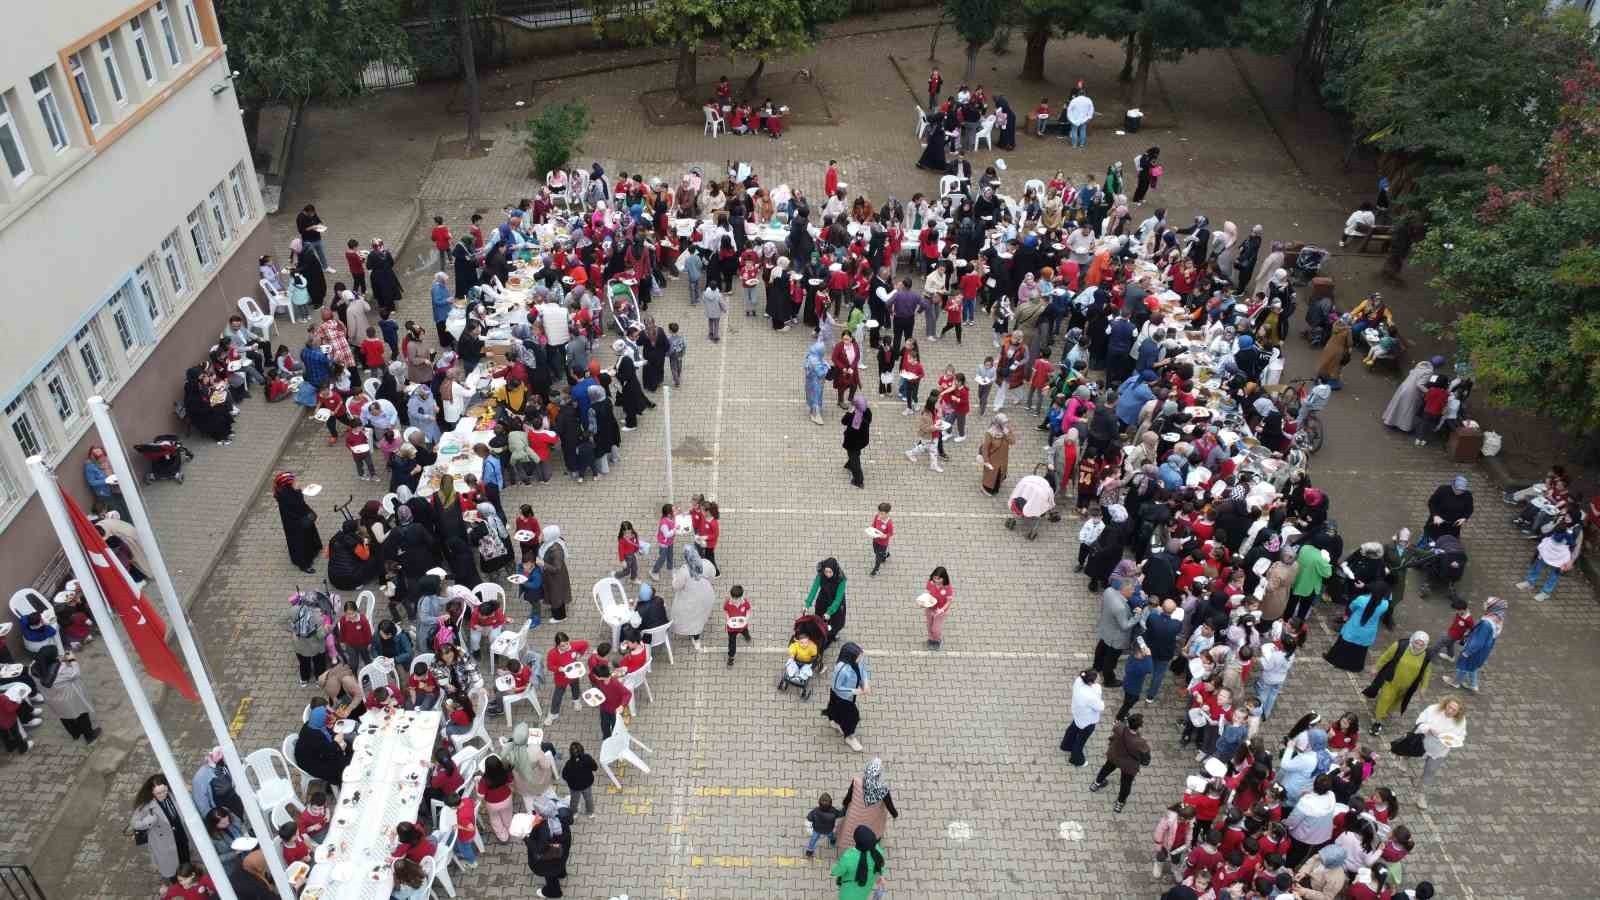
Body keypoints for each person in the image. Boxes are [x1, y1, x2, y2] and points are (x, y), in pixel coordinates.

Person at [1365, 631, 1433, 735]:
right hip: (1391, 681)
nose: (1418, 646)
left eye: (1421, 644)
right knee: (1385, 699)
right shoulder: (1400, 645)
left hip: (1407, 687)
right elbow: (1386, 656)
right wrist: (1376, 667)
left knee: (1396, 703)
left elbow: (1426, 672)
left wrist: (1424, 687)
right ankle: (1377, 721)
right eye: (1416, 642)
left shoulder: (1427, 655)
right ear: (1412, 640)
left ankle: (1385, 712)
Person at [31, 645, 98, 742]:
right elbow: (75, 673)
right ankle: (89, 736)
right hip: (68, 698)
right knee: (81, 715)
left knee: (63, 716)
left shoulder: (32, 668)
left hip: (51, 699)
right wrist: (72, 659)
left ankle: (75, 734)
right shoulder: (60, 670)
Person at [131, 774, 191, 881]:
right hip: (164, 843)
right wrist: (150, 820)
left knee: (185, 859)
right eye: (158, 793)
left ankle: (187, 878)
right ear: (152, 792)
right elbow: (135, 823)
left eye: (164, 791)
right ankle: (176, 883)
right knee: (172, 867)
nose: (162, 795)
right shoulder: (146, 805)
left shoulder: (172, 794)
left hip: (180, 835)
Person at [1412, 696, 1467, 809]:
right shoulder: (1433, 710)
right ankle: (1403, 759)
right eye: (1449, 707)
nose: (1450, 711)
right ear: (1445, 704)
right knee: (1410, 753)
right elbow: (1419, 721)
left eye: (1454, 710)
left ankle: (1421, 794)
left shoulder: (1461, 721)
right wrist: (1428, 729)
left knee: (1430, 772)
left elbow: (1461, 735)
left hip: (1440, 751)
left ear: (1458, 712)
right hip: (1422, 742)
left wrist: (1454, 742)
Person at [1089, 713, 1150, 813]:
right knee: (1126, 784)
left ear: (1128, 722)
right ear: (1139, 727)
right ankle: (1119, 803)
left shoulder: (1120, 728)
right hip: (1128, 765)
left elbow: (1116, 726)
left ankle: (1096, 784)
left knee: (1106, 768)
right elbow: (1146, 759)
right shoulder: (1140, 742)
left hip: (1115, 756)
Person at [1324, 582, 1390, 672]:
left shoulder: (1361, 599)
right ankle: (1354, 667)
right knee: (1360, 651)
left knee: (1342, 646)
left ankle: (1335, 661)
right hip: (1368, 631)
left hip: (1354, 627)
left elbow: (1351, 607)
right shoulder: (1385, 604)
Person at [1444, 596, 1505, 691]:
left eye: (1488, 603)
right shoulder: (1498, 619)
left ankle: (1456, 682)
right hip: (1484, 650)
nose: (1485, 603)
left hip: (1475, 650)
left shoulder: (1486, 623)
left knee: (1463, 665)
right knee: (1473, 666)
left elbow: (1478, 642)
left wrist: (1467, 652)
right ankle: (1473, 684)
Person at [836, 757, 897, 853]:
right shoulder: (883, 790)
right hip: (873, 817)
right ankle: (871, 843)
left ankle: (851, 845)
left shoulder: (857, 781)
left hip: (855, 813)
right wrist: (895, 814)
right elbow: (889, 805)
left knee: (851, 828)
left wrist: (845, 804)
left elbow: (849, 795)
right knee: (874, 829)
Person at [272, 472, 321, 574]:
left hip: (300, 519)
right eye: (294, 482)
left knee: (308, 535)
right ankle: (304, 564)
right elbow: (298, 505)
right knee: (300, 542)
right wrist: (299, 491)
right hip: (296, 523)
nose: (297, 482)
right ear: (287, 485)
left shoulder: (285, 492)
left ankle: (314, 550)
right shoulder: (287, 496)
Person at [825, 642, 870, 751]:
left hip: (850, 695)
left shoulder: (857, 660)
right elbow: (836, 687)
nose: (861, 658)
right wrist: (855, 691)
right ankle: (849, 737)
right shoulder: (841, 669)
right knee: (853, 717)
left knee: (835, 710)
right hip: (841, 697)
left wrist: (866, 683)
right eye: (859, 656)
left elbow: (863, 670)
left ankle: (835, 722)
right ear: (850, 656)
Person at [294, 706, 351, 787]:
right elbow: (329, 751)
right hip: (313, 764)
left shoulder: (313, 724)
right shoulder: (314, 735)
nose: (330, 720)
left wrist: (339, 744)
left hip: (318, 753)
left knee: (348, 745)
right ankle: (340, 783)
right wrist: (338, 744)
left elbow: (328, 736)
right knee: (343, 765)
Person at [1381, 356, 1440, 432]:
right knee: (1407, 408)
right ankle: (1403, 426)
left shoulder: (1421, 364)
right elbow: (1420, 384)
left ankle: (1390, 420)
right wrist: (1428, 392)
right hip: (1412, 391)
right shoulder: (1429, 372)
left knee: (1398, 404)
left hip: (1405, 385)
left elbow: (1411, 372)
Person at [1059, 669, 1104, 767]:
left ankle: (1066, 745)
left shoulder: (1079, 681)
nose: (1099, 678)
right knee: (1080, 741)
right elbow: (1100, 707)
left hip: (1078, 713)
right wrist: (1098, 690)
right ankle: (1076, 759)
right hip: (1087, 720)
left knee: (1073, 729)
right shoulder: (1092, 695)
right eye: (1097, 678)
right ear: (1090, 682)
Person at [831, 825, 886, 900]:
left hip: (849, 893)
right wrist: (882, 876)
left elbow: (837, 872)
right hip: (866, 887)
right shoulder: (877, 849)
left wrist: (833, 869)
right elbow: (881, 864)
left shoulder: (849, 856)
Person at [805, 558, 849, 644]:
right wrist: (807, 605)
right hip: (823, 599)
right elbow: (814, 589)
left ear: (835, 570)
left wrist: (829, 612)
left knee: (836, 622)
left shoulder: (841, 579)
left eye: (830, 572)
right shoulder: (821, 575)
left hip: (835, 604)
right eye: (826, 572)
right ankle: (822, 632)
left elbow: (838, 599)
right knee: (820, 619)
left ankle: (834, 634)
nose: (828, 574)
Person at [1423, 475, 1474, 541]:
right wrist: (1435, 516)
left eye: (1462, 490)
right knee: (1430, 542)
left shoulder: (1468, 495)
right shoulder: (1442, 490)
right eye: (1457, 489)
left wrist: (1464, 518)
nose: (1459, 492)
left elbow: (1470, 509)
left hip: (1453, 527)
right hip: (1437, 524)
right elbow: (1431, 503)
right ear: (1453, 485)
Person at [978, 413, 1017, 495]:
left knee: (1000, 473)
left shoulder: (1007, 429)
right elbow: (985, 447)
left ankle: (997, 485)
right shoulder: (990, 432)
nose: (1006, 425)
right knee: (991, 475)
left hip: (1003, 458)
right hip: (993, 459)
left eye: (1006, 422)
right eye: (1004, 423)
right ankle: (986, 488)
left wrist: (1007, 434)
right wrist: (986, 460)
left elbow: (1013, 442)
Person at [841, 395, 872, 488]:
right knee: (855, 454)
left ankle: (858, 480)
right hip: (862, 440)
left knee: (855, 460)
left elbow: (843, 421)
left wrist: (849, 412)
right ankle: (849, 464)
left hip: (852, 442)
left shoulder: (853, 416)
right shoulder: (867, 411)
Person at [562, 741, 599, 817]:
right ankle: (590, 812)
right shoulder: (587, 758)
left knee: (574, 800)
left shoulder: (569, 764)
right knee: (589, 799)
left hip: (575, 787)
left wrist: (570, 781)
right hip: (587, 784)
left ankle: (574, 813)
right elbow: (595, 767)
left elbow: (564, 775)